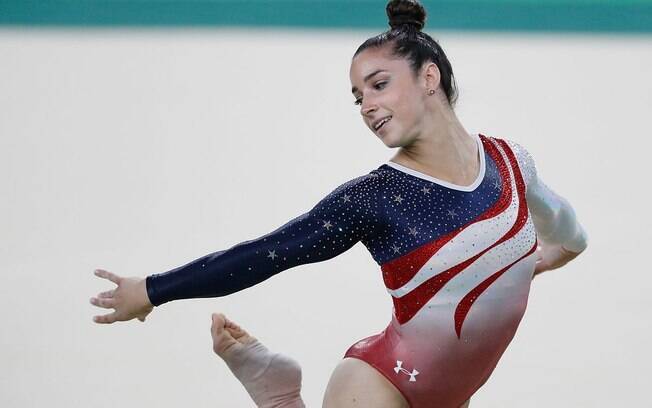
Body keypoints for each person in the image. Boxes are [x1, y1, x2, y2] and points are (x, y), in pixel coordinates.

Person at [90, 1, 588, 407]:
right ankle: (281, 395)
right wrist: (153, 290)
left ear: (429, 77)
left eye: (378, 84)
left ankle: (275, 387)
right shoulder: (372, 198)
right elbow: (268, 253)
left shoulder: (509, 161)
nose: (367, 105)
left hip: (452, 395)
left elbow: (568, 233)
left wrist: (526, 264)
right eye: (357, 97)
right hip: (383, 381)